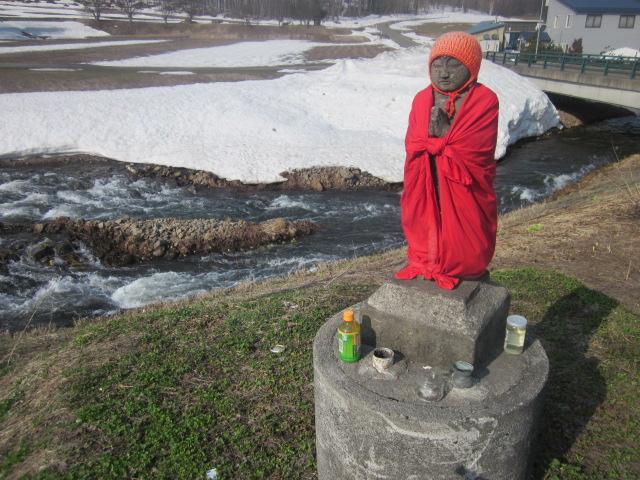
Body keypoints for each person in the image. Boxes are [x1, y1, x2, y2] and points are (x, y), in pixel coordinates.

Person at [395, 31, 500, 290]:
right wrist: (432, 142)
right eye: (437, 65)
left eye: (453, 65)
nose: (443, 73)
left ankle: (462, 263)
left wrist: (444, 134)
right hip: (427, 176)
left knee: (467, 229)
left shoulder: (484, 100)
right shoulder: (422, 99)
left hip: (463, 181)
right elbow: (413, 142)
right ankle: (429, 257)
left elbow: (478, 150)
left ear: (471, 67)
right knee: (426, 219)